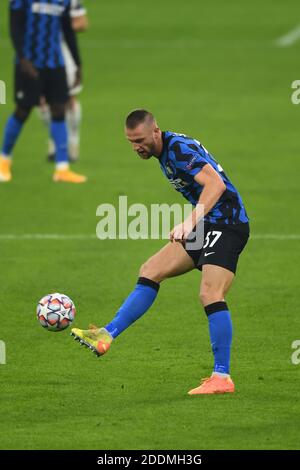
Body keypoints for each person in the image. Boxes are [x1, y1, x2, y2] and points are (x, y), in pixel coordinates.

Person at [71, 109, 250, 395]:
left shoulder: (178, 149)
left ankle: (222, 377)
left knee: (210, 293)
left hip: (227, 224)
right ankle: (106, 334)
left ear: (156, 131)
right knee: (150, 271)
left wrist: (190, 221)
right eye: (131, 142)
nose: (136, 147)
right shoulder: (163, 154)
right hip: (207, 224)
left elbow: (215, 183)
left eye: (140, 140)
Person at [0, 0, 87, 183]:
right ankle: (4, 160)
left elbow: (68, 31)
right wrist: (22, 58)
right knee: (23, 110)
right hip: (30, 64)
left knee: (59, 109)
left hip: (55, 63)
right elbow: (15, 27)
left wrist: (77, 62)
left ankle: (62, 168)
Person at [39, 0, 88, 163]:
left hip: (63, 53)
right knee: (42, 101)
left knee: (68, 100)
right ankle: (55, 141)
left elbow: (82, 23)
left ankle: (73, 143)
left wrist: (55, 28)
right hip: (38, 53)